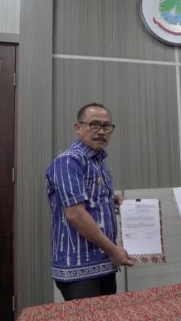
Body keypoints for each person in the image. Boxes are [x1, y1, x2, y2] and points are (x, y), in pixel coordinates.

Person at [46, 103, 134, 301]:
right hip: (80, 270)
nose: (101, 132)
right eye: (94, 125)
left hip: (104, 263)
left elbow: (87, 198)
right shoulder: (68, 161)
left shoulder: (98, 162)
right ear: (78, 127)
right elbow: (75, 214)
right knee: (88, 320)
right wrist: (113, 250)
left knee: (107, 318)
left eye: (106, 126)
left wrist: (110, 200)